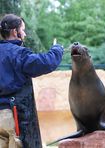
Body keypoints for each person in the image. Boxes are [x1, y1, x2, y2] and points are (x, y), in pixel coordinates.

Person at [0, 14, 64, 148]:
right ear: (14, 31)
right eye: (22, 30)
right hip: (13, 116)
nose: (24, 34)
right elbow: (45, 63)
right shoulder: (18, 53)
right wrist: (57, 50)